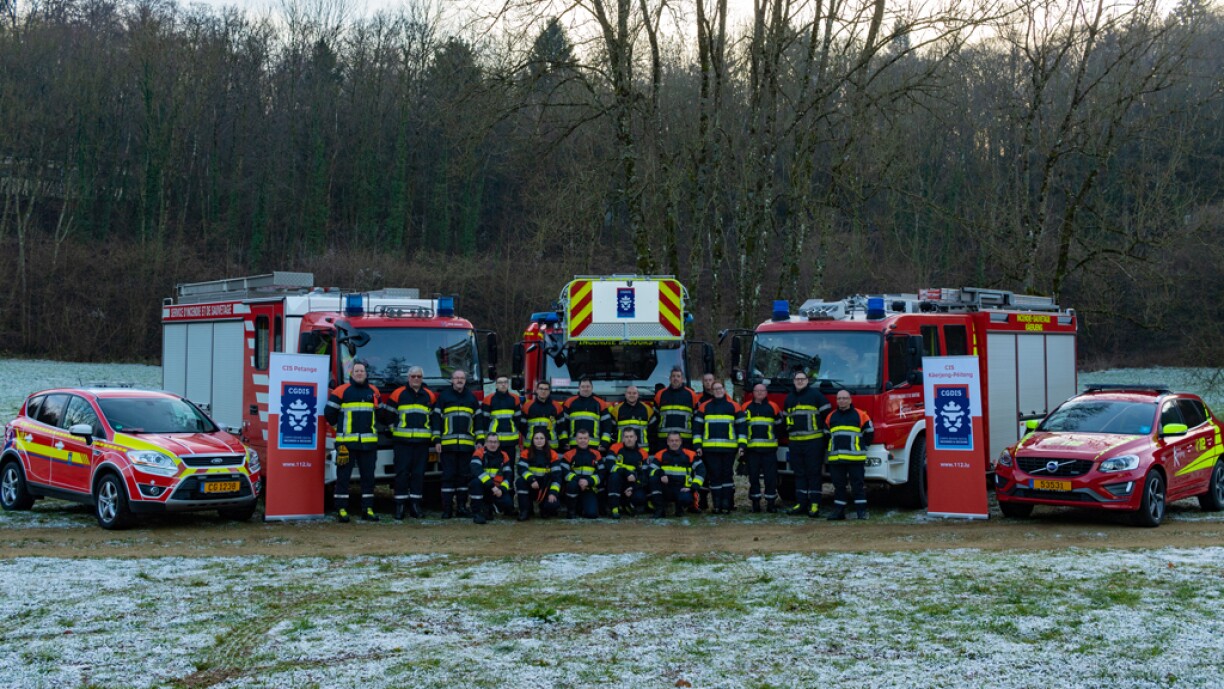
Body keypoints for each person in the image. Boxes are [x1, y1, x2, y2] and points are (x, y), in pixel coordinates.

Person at [324, 360, 381, 523]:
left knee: (368, 478)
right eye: (356, 371)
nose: (359, 373)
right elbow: (329, 413)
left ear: (366, 373)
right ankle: (341, 509)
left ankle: (367, 509)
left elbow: (380, 413)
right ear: (351, 373)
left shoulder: (374, 391)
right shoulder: (341, 391)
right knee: (343, 477)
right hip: (345, 444)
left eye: (362, 371)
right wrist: (338, 428)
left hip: (368, 444)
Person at [380, 365, 436, 519]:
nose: (416, 379)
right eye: (413, 376)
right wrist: (394, 430)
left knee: (418, 474)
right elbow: (387, 415)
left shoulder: (429, 396)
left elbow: (434, 418)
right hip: (402, 443)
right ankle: (399, 507)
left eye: (419, 376)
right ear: (408, 378)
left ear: (422, 378)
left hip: (422, 443)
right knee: (402, 474)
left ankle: (416, 506)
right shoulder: (398, 394)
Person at [432, 369, 480, 519]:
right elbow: (436, 419)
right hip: (447, 446)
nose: (459, 380)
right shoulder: (444, 397)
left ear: (465, 380)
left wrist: (479, 441)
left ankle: (461, 507)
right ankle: (447, 509)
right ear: (452, 380)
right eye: (457, 378)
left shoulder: (471, 398)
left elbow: (478, 421)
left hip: (466, 446)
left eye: (462, 378)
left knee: (463, 478)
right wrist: (437, 440)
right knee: (448, 477)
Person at [784, 370, 831, 518]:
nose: (799, 381)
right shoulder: (789, 398)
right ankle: (801, 503)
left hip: (813, 442)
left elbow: (827, 416)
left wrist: (824, 435)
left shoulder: (816, 395)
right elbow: (787, 419)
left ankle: (815, 504)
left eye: (802, 379)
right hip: (795, 443)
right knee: (799, 474)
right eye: (797, 379)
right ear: (793, 381)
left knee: (814, 474)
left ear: (807, 380)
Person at [693, 381, 744, 514]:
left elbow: (741, 428)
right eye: (715, 389)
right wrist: (697, 445)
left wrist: (741, 445)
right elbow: (697, 428)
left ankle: (726, 505)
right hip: (710, 449)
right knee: (714, 476)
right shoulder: (704, 407)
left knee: (727, 476)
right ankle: (716, 505)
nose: (718, 391)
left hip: (729, 449)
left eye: (720, 388)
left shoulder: (734, 406)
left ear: (724, 389)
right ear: (711, 391)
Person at [825, 389, 874, 520]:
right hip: (836, 459)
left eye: (845, 398)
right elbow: (826, 435)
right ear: (836, 401)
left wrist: (864, 448)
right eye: (839, 398)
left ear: (850, 400)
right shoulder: (831, 416)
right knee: (839, 486)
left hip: (855, 459)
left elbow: (869, 433)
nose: (842, 401)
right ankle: (839, 512)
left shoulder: (861, 415)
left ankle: (861, 512)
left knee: (857, 485)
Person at [740, 383, 784, 513]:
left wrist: (776, 439)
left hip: (769, 450)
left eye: (762, 390)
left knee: (770, 478)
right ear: (753, 392)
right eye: (757, 390)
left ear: (766, 393)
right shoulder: (745, 407)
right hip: (752, 450)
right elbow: (741, 427)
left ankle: (771, 503)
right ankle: (755, 504)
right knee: (753, 478)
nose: (759, 393)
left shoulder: (773, 407)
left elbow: (780, 426)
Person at [648, 431, 706, 518]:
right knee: (653, 479)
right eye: (671, 441)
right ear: (667, 442)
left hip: (682, 488)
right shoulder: (660, 454)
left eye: (676, 440)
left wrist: (693, 487)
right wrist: (660, 473)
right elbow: (651, 470)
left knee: (686, 499)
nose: (674, 443)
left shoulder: (690, 454)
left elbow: (701, 471)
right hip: (666, 488)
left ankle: (680, 508)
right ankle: (659, 509)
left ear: (680, 441)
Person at [516, 430, 563, 520]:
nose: (539, 440)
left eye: (541, 438)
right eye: (536, 438)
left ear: (546, 440)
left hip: (546, 487)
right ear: (532, 440)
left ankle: (545, 510)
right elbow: (522, 469)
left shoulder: (552, 454)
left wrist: (553, 493)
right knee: (520, 482)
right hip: (531, 485)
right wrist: (531, 479)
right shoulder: (526, 452)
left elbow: (557, 476)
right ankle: (525, 511)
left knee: (553, 505)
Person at [468, 435, 515, 524]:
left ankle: (490, 507)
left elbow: (508, 475)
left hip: (497, 489)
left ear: (498, 444)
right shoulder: (479, 453)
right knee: (475, 482)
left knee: (508, 504)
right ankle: (477, 512)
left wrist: (502, 489)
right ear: (485, 443)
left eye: (495, 442)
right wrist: (492, 486)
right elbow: (476, 470)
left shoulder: (504, 455)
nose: (492, 444)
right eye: (490, 441)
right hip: (483, 487)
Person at [605, 428, 650, 519]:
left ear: (636, 438)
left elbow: (644, 475)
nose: (629, 439)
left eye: (631, 436)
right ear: (623, 438)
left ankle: (627, 504)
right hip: (618, 482)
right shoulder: (615, 448)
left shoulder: (643, 453)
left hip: (633, 483)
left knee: (640, 497)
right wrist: (626, 473)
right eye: (626, 437)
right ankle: (614, 509)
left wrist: (633, 487)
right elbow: (609, 466)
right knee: (614, 476)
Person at [561, 378, 612, 451]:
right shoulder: (569, 402)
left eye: (588, 386)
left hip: (594, 446)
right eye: (583, 387)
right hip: (573, 445)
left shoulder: (601, 403)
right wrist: (564, 442)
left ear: (592, 388)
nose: (585, 389)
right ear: (579, 388)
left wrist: (604, 443)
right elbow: (563, 425)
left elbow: (607, 426)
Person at [562, 429, 602, 519]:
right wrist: (578, 480)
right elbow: (564, 472)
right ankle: (571, 511)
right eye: (580, 438)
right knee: (571, 485)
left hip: (589, 487)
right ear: (576, 440)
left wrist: (589, 482)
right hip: (574, 486)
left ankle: (581, 508)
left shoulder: (596, 454)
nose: (583, 440)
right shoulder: (568, 454)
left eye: (585, 438)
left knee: (592, 514)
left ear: (589, 440)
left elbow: (601, 473)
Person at [480, 377, 522, 454]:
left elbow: (518, 420)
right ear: (496, 385)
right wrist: (485, 439)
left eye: (505, 382)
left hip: (511, 440)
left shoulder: (515, 398)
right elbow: (484, 421)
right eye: (500, 382)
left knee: (510, 465)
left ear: (508, 384)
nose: (503, 384)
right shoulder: (488, 399)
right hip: (494, 441)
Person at [609, 385, 656, 452]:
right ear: (625, 394)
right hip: (622, 451)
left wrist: (652, 449)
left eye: (634, 393)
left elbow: (653, 432)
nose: (632, 395)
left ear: (638, 395)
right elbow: (611, 432)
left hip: (642, 451)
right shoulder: (616, 410)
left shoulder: (647, 409)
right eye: (629, 393)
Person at [521, 381, 564, 450]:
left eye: (546, 389)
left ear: (549, 391)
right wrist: (530, 436)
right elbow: (522, 426)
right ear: (537, 390)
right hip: (531, 446)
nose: (543, 391)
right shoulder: (527, 406)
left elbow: (562, 427)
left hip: (551, 446)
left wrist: (561, 441)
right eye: (541, 389)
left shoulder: (557, 406)